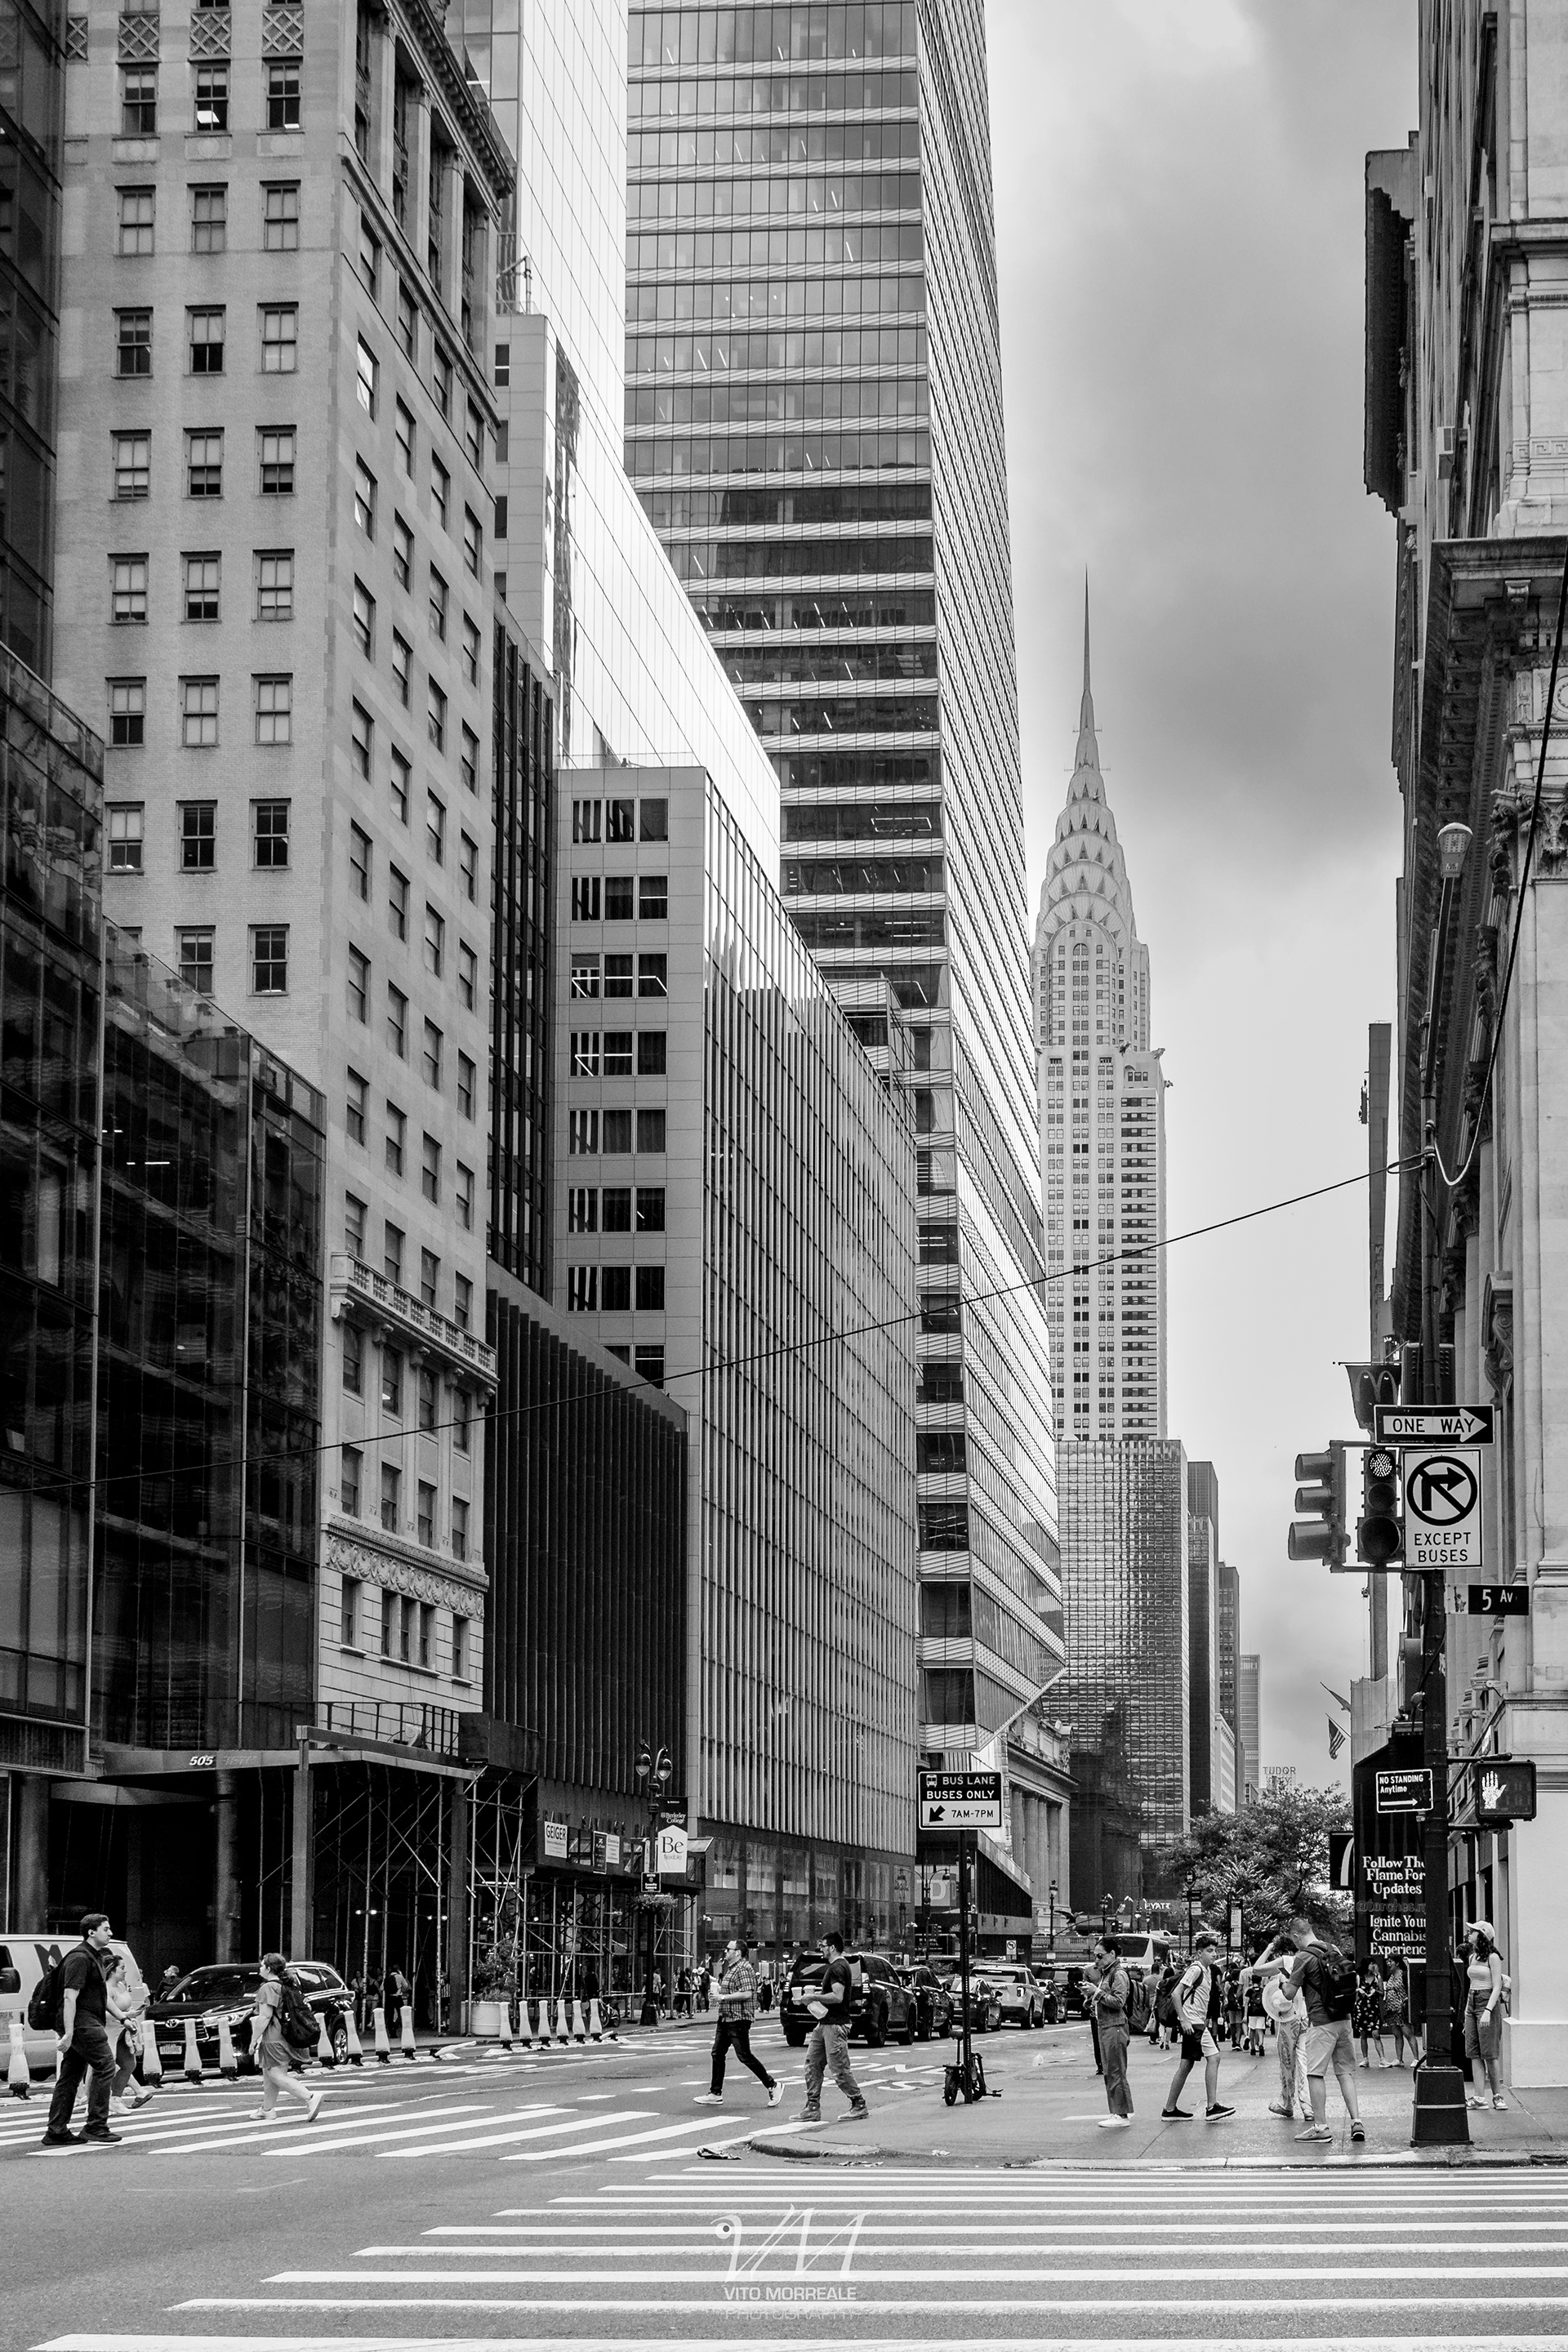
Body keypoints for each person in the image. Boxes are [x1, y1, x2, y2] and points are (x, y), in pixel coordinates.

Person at [1257, 1914, 1363, 2145]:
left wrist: (1283, 1982)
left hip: (1321, 2021)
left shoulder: (1302, 1957)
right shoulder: (1333, 1948)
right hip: (1344, 2019)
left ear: (1296, 1936)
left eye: (1293, 1940)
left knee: (1315, 2074)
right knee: (1345, 2073)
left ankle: (1321, 2127)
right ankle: (1357, 2122)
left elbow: (1288, 1994)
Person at [42, 1913, 122, 2149]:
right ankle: (96, 2126)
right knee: (105, 2066)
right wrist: (69, 2032)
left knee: (70, 2075)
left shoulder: (94, 1957)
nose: (110, 1933)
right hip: (82, 2023)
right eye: (105, 1929)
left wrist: (123, 2018)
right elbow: (70, 1996)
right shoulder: (79, 1958)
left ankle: (57, 2130)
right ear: (91, 1932)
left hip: (86, 2021)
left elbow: (101, 1995)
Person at [694, 1937, 783, 2109]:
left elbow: (747, 1993)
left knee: (744, 2055)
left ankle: (772, 2085)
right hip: (726, 2018)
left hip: (738, 2018)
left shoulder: (743, 1968)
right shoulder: (732, 1969)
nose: (725, 1951)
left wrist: (722, 1997)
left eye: (728, 1949)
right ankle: (715, 2093)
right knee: (717, 2053)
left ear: (738, 1953)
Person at [1161, 1928, 1233, 2122]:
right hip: (1193, 2024)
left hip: (1196, 2023)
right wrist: (1184, 2019)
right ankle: (1211, 2106)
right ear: (1199, 1953)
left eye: (1215, 1951)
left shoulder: (1207, 1971)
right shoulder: (1196, 1969)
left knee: (1187, 2065)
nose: (1214, 1954)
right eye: (1210, 1951)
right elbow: (1176, 1994)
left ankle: (1170, 2109)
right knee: (1213, 2058)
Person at [800, 1930, 868, 2124]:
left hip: (836, 2025)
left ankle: (858, 2104)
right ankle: (812, 2107)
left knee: (839, 2068)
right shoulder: (837, 1966)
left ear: (832, 1947)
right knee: (812, 2063)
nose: (821, 1949)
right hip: (825, 2024)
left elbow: (838, 1997)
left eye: (823, 1946)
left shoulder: (838, 1967)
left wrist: (813, 1997)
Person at [249, 1953, 324, 2124]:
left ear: (269, 1969)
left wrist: (254, 2039)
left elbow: (265, 2016)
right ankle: (267, 2110)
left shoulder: (268, 1987)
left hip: (273, 2037)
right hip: (287, 2034)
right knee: (271, 2073)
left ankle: (310, 2097)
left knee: (274, 2074)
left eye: (262, 1965)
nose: (260, 1968)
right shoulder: (286, 1984)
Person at [1089, 1935, 1134, 2127]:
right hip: (1106, 2025)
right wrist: (1091, 1998)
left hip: (1115, 2027)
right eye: (1095, 1956)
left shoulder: (1118, 1974)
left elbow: (1118, 2002)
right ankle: (1117, 2111)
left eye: (1100, 1956)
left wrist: (1096, 1993)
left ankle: (1121, 2114)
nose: (1096, 1960)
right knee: (1109, 2071)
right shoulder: (1107, 1974)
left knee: (1116, 2071)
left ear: (1112, 1954)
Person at [1463, 1919, 1508, 2111]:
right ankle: (1479, 2097)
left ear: (1481, 1935)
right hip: (1472, 2002)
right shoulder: (1472, 1957)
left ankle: (1498, 2096)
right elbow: (1471, 1986)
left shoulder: (1493, 1957)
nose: (1469, 1933)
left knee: (1489, 2053)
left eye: (1472, 1931)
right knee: (1474, 2053)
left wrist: (1488, 2011)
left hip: (1486, 2000)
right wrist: (1467, 2012)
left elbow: (1497, 1986)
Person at [105, 1950, 154, 2116]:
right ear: (112, 1971)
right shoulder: (106, 1989)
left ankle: (115, 2100)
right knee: (106, 2068)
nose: (125, 1971)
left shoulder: (121, 1986)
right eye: (122, 1968)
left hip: (123, 2031)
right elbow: (102, 2013)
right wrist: (126, 2015)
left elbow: (125, 2005)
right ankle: (98, 2103)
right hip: (108, 2032)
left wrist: (132, 2013)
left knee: (129, 2064)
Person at [1262, 1942, 1307, 2119]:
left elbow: (1257, 1969)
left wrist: (1268, 1949)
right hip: (1307, 2015)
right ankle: (1308, 2106)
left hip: (1287, 2017)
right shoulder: (1312, 1962)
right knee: (1305, 2061)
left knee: (1287, 2063)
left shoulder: (1286, 1964)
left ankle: (1287, 2102)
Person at [1381, 1959, 1419, 2066]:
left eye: (1391, 1961)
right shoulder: (1390, 1976)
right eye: (1387, 1961)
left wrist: (1407, 2001)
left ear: (1397, 1963)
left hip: (1402, 2009)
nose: (1388, 1963)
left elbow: (1411, 1990)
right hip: (1392, 2009)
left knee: (1408, 2033)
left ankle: (1416, 2058)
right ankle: (1399, 2059)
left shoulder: (1404, 1975)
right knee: (1397, 2034)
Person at [1355, 1958, 1388, 2067]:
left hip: (1374, 2009)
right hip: (1362, 2008)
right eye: (1371, 1964)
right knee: (1363, 2034)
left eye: (1374, 1963)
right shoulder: (1359, 1977)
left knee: (1376, 2034)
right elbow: (1354, 1991)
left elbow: (1382, 1994)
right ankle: (1365, 2059)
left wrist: (1375, 1992)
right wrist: (1358, 1990)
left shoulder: (1377, 1977)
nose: (1373, 1966)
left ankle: (1382, 2059)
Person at [1153, 1962, 1178, 2052]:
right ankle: (1167, 2041)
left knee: (1162, 2023)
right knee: (1170, 2024)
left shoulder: (1160, 1983)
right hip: (1171, 2004)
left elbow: (1156, 1995)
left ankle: (1161, 2038)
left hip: (1161, 2005)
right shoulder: (1175, 1983)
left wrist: (1154, 2005)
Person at [1244, 1961, 1267, 2057]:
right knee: (1260, 2029)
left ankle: (1253, 2048)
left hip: (1252, 2013)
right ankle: (1261, 2045)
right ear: (1260, 1981)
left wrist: (1245, 2015)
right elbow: (1266, 2003)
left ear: (1252, 1981)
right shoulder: (1263, 1991)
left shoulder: (1249, 1991)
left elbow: (1246, 2003)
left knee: (1252, 2030)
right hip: (1261, 2013)